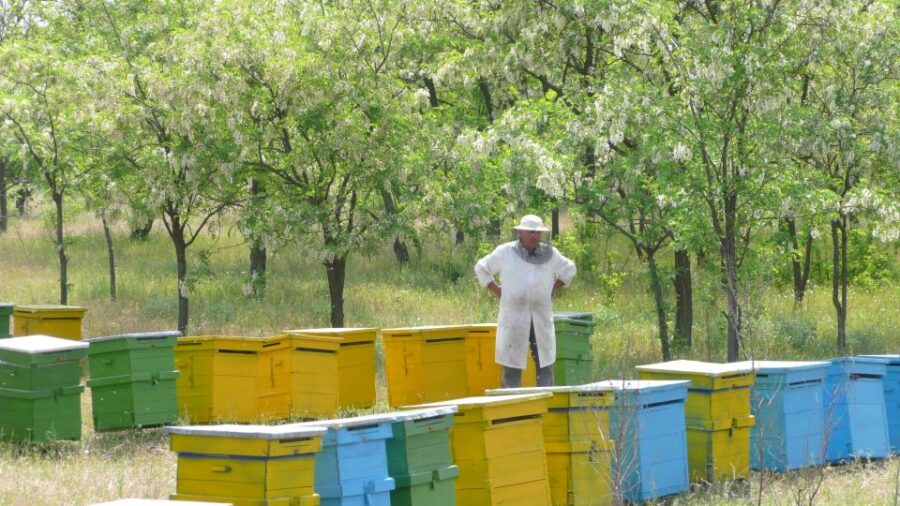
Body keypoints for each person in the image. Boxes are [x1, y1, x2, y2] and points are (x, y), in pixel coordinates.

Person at [474, 214, 576, 388]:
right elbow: (481, 268)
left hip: (540, 318)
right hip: (514, 318)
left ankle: (546, 405)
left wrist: (553, 288)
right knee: (511, 367)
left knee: (545, 366)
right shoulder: (505, 251)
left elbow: (569, 269)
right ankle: (511, 408)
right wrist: (497, 290)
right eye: (530, 232)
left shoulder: (550, 254)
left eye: (537, 232)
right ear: (521, 232)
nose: (534, 235)